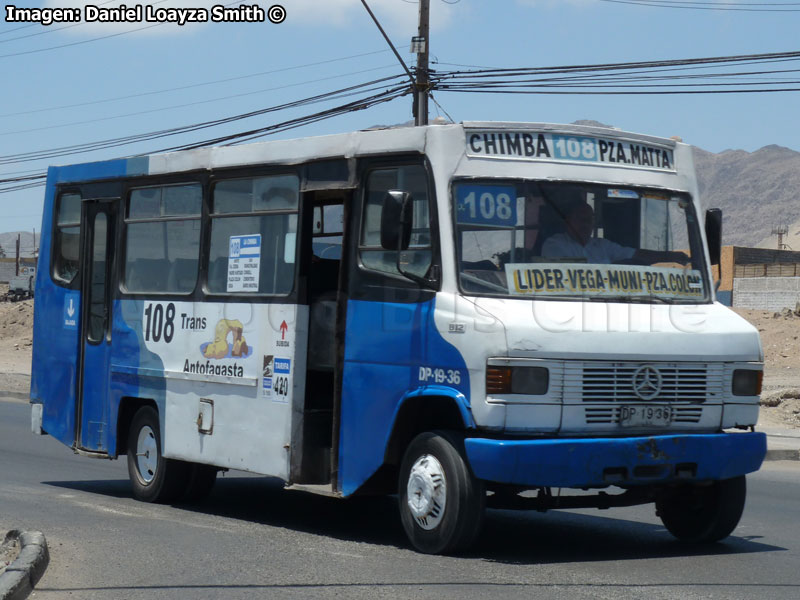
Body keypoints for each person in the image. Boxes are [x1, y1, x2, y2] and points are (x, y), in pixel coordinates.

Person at [541, 202, 690, 265]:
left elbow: (635, 254)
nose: (586, 224)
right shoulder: (554, 244)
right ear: (568, 221)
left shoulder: (601, 245)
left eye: (590, 219)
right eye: (581, 219)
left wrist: (670, 256)